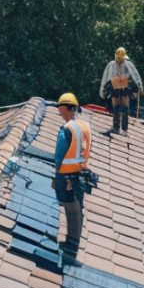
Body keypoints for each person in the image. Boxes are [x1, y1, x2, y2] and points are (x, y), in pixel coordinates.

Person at [53, 92, 91, 257]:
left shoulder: (67, 129)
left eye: (61, 111)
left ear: (65, 109)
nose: (60, 114)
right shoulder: (84, 125)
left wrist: (57, 171)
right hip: (80, 173)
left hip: (67, 174)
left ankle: (71, 244)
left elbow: (59, 154)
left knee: (71, 208)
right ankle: (74, 241)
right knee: (78, 206)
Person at [100, 47, 143, 136]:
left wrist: (139, 85)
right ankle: (116, 127)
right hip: (114, 87)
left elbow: (135, 75)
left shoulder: (128, 64)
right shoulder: (111, 65)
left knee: (124, 107)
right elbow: (105, 77)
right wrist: (102, 89)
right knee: (115, 106)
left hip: (124, 87)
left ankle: (124, 129)